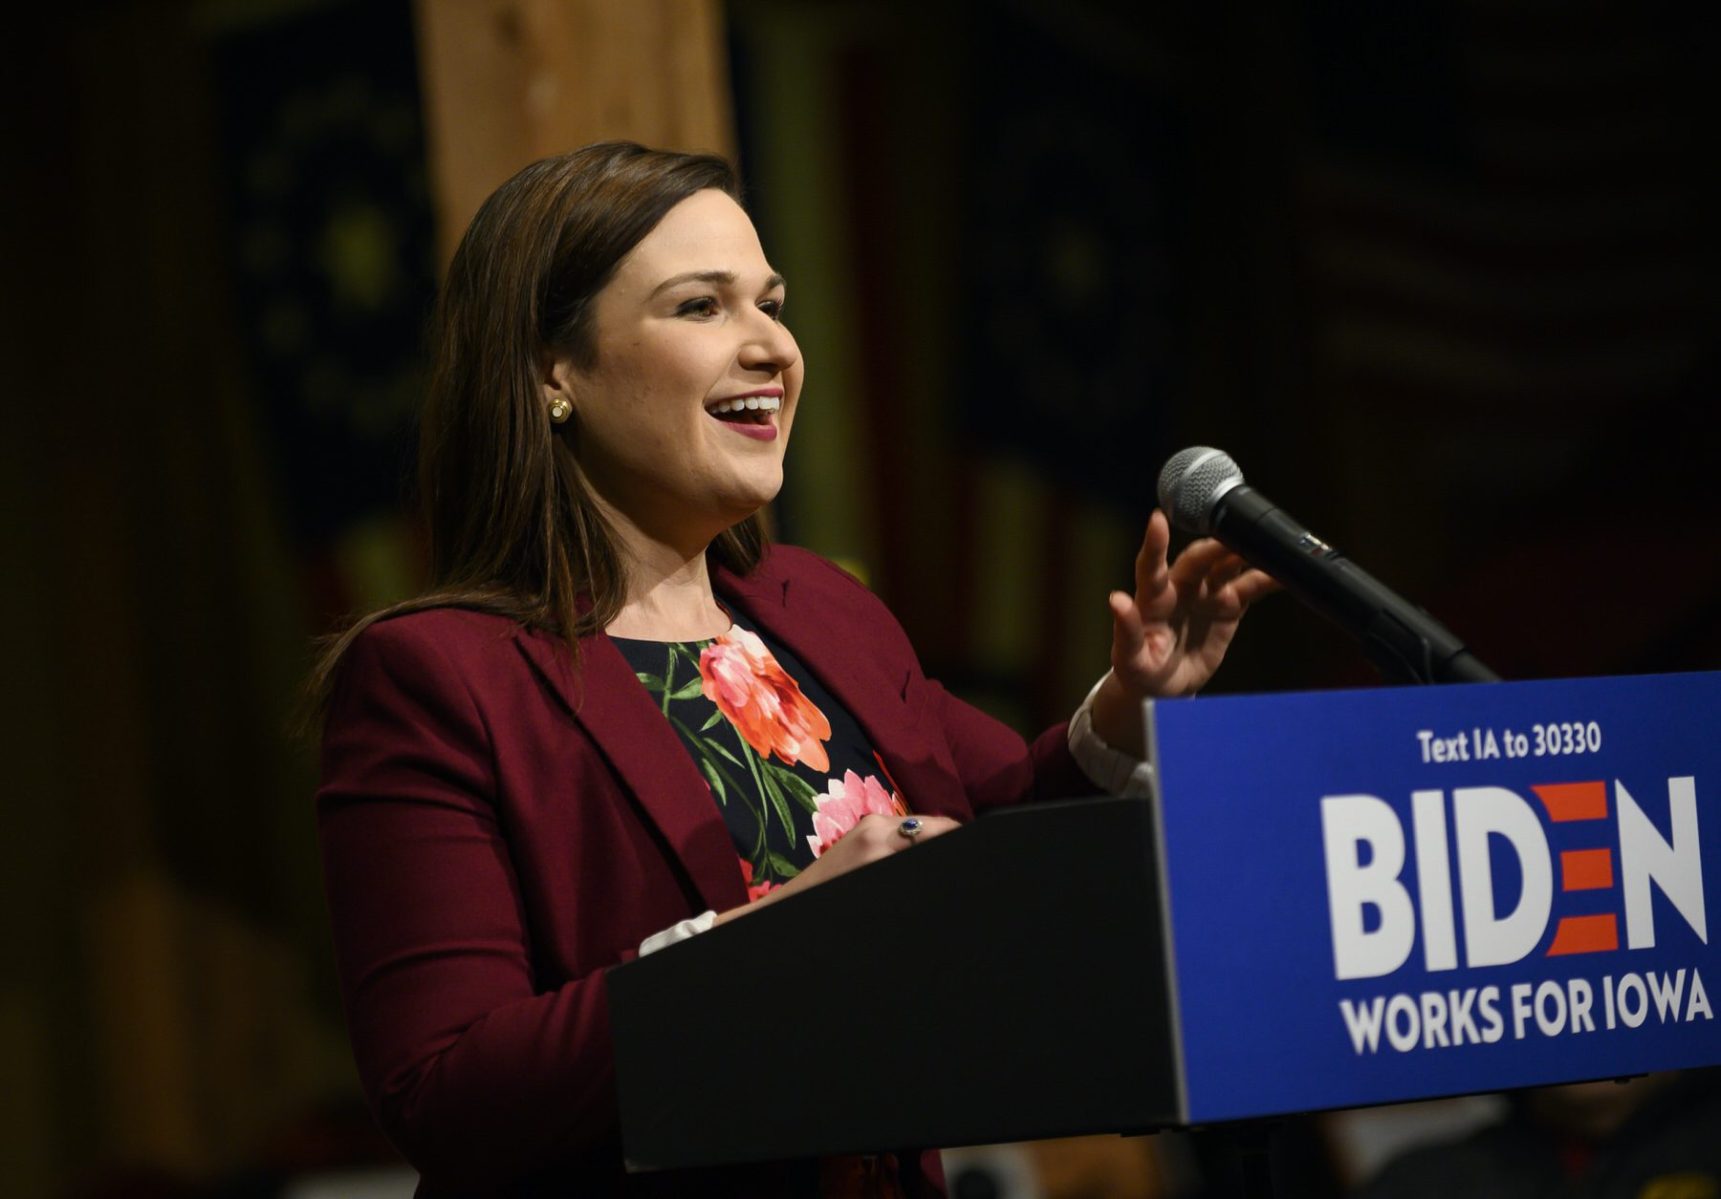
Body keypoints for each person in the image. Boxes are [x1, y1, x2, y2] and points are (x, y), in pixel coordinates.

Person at [310, 141, 1274, 1197]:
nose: (772, 344)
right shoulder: (435, 677)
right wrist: (783, 933)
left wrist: (1131, 709)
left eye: (771, 302)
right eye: (701, 307)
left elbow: (1001, 840)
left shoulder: (818, 608)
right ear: (554, 369)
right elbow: (446, 1090)